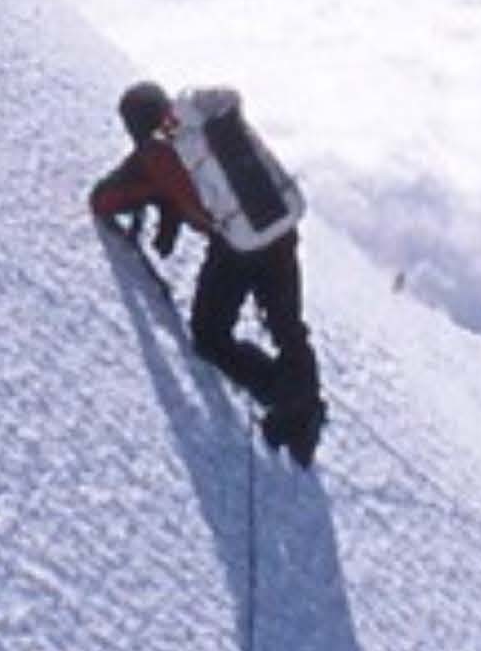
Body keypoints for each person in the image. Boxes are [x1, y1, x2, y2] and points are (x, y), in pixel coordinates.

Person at [92, 79, 325, 463]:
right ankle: (304, 414)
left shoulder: (153, 156)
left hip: (237, 247)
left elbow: (104, 200)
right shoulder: (203, 127)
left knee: (210, 335)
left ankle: (282, 395)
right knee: (287, 326)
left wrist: (155, 197)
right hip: (279, 225)